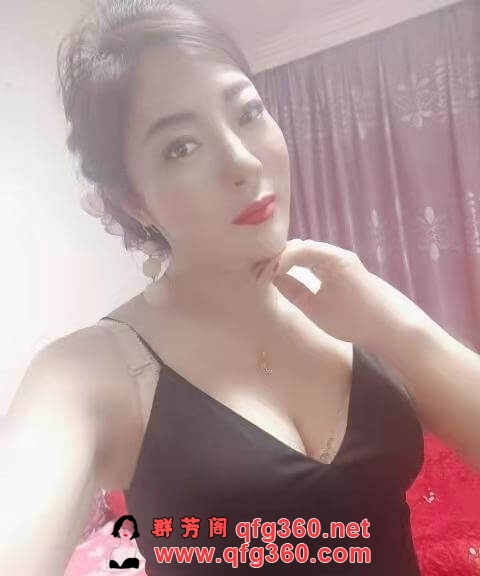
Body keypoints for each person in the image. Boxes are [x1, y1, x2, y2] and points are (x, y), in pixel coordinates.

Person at [2, 1, 479, 574]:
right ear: (135, 202)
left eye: (248, 112)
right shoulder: (89, 372)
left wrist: (397, 327)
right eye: (180, 146)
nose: (243, 161)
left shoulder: (350, 305)